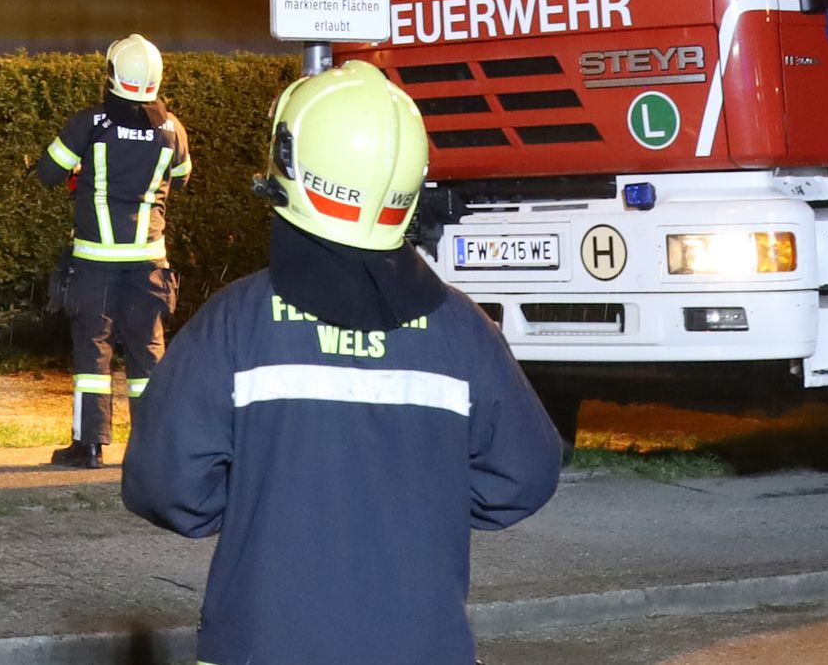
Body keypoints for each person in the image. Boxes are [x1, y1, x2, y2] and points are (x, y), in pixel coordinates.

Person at [125, 62, 562, 665]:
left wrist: (262, 503)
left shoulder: (234, 323)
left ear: (290, 165)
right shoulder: (463, 331)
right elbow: (524, 475)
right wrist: (415, 500)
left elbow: (166, 485)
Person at [43, 32, 191, 468]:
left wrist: (81, 167)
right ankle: (153, 446)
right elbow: (182, 176)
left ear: (112, 74)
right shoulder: (173, 129)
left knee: (94, 351)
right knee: (148, 350)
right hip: (149, 261)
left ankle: (89, 446)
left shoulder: (90, 123)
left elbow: (48, 172)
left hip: (96, 261)